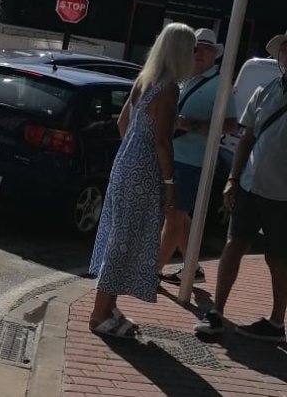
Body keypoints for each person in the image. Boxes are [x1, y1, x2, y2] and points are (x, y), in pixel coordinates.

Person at [88, 22, 196, 338]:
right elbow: (163, 141)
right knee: (126, 243)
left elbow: (124, 122)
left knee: (119, 237)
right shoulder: (169, 88)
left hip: (126, 162)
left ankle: (108, 307)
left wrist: (133, 151)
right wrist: (169, 181)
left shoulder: (144, 80)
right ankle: (99, 313)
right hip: (145, 169)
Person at [194, 31, 287, 341]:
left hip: (283, 195)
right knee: (234, 245)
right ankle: (216, 311)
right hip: (249, 183)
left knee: (278, 257)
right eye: (284, 51)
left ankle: (276, 321)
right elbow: (246, 138)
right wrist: (232, 179)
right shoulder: (265, 90)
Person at [158, 28, 237, 285]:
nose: (199, 53)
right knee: (179, 215)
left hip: (193, 161)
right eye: (196, 48)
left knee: (174, 214)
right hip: (174, 155)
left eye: (206, 49)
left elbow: (230, 125)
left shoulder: (221, 84)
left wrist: (190, 125)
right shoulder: (184, 79)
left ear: (215, 54)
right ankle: (192, 267)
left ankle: (151, 271)